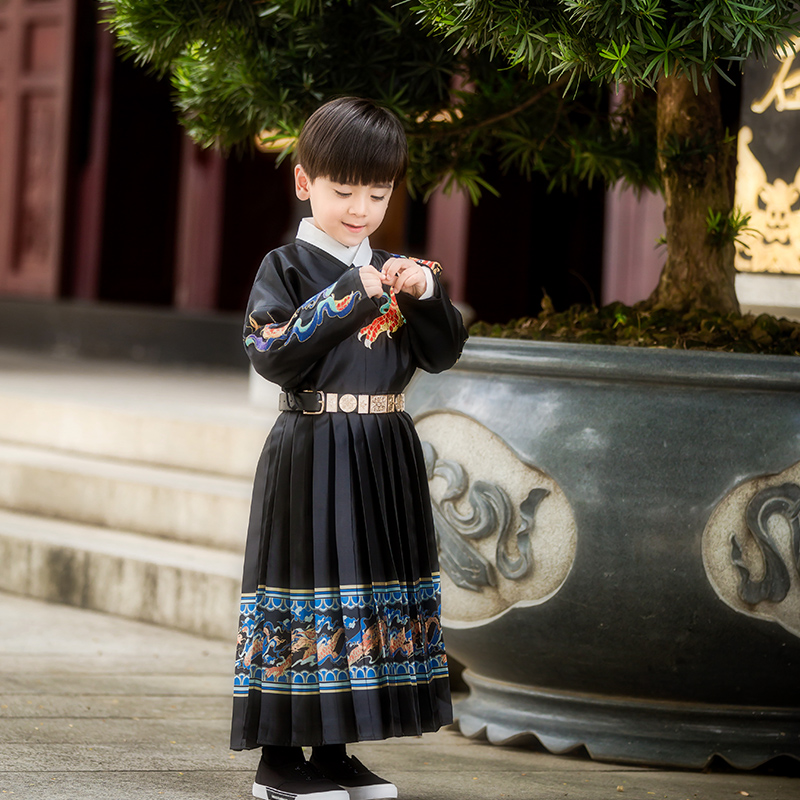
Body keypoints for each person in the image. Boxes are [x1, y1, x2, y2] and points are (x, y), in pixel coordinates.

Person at [231, 96, 468, 800]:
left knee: (359, 601)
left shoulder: (396, 267)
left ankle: (333, 756)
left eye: (378, 190)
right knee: (305, 595)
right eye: (343, 190)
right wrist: (345, 297)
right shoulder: (288, 266)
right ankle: (279, 761)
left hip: (381, 451)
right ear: (304, 182)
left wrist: (426, 294)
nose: (361, 207)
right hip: (311, 448)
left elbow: (442, 351)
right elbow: (269, 351)